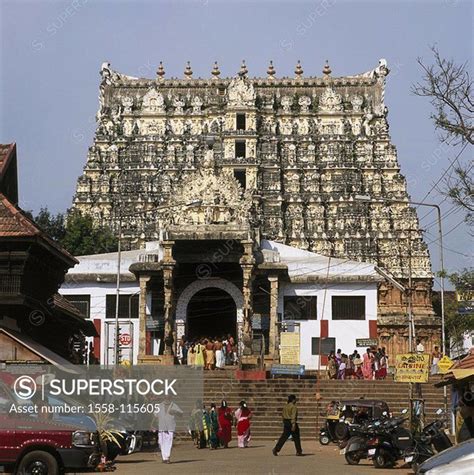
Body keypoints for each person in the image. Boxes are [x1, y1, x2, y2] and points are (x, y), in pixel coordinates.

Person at [156, 396, 183, 464]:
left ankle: (167, 457)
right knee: (161, 442)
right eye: (165, 397)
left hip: (170, 426)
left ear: (170, 398)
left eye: (168, 398)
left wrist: (175, 412)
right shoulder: (159, 406)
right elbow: (155, 415)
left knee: (169, 441)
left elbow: (181, 414)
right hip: (161, 426)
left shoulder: (174, 405)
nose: (166, 399)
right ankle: (164, 457)